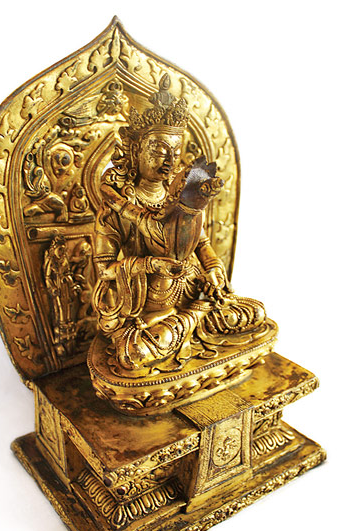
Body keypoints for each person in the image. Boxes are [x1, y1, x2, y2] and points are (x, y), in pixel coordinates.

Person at [92, 75, 267, 377]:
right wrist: (150, 265)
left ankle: (193, 317)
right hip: (147, 305)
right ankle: (190, 321)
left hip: (192, 290)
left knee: (256, 313)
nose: (169, 160)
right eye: (159, 151)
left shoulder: (180, 195)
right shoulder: (116, 207)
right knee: (134, 353)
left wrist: (213, 269)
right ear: (136, 151)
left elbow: (201, 243)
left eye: (175, 152)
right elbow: (105, 269)